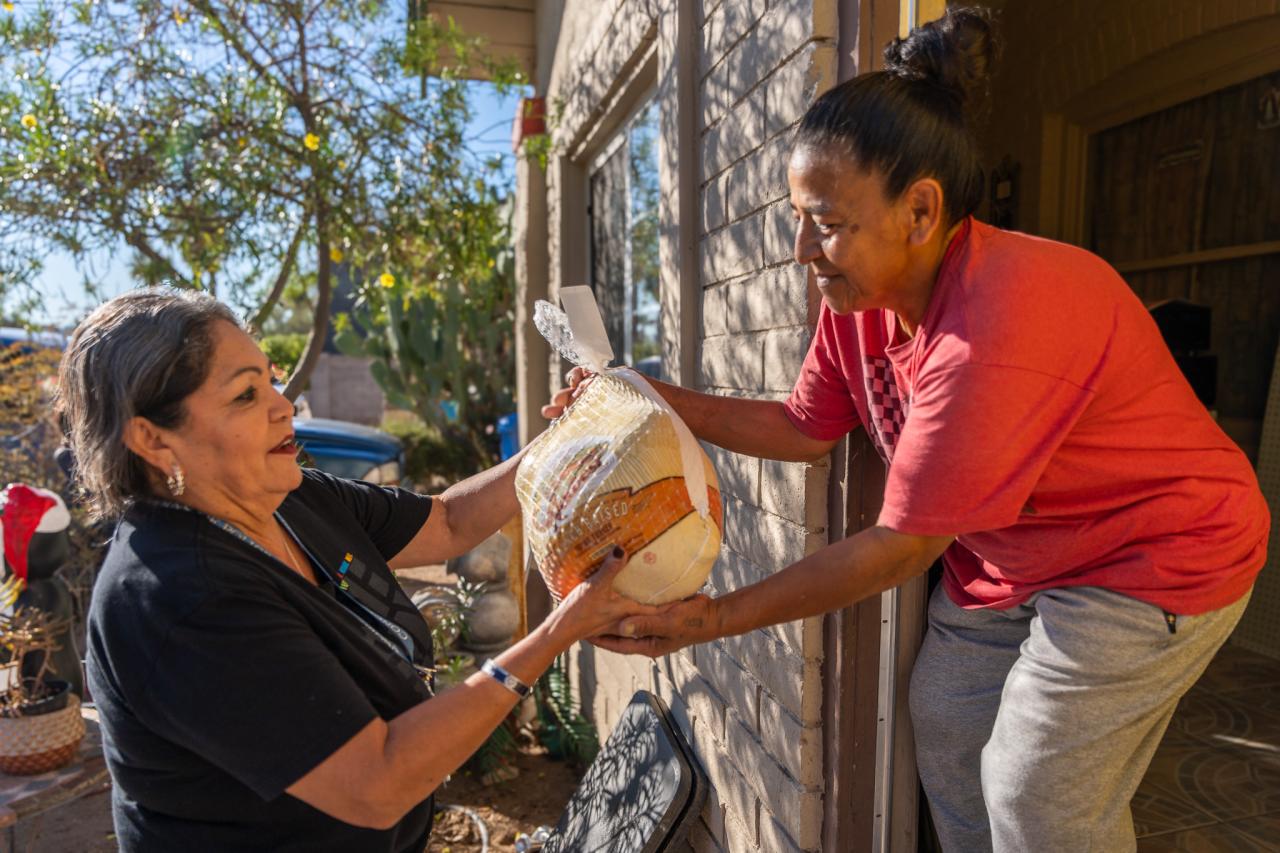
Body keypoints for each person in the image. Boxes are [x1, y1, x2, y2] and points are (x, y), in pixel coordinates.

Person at [548, 8, 1268, 851]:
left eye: (825, 222)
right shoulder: (859, 305)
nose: (799, 251)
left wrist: (708, 619)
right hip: (1018, 559)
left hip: (1151, 556)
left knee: (1035, 790)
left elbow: (901, 546)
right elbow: (803, 425)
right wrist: (642, 393)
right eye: (797, 217)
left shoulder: (996, 321)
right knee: (949, 720)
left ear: (920, 213)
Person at [59, 288, 655, 852]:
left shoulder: (289, 498)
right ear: (153, 440)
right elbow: (377, 783)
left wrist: (572, 433)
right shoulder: (180, 597)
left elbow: (448, 523)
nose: (282, 404)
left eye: (270, 378)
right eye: (245, 395)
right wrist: (558, 632)